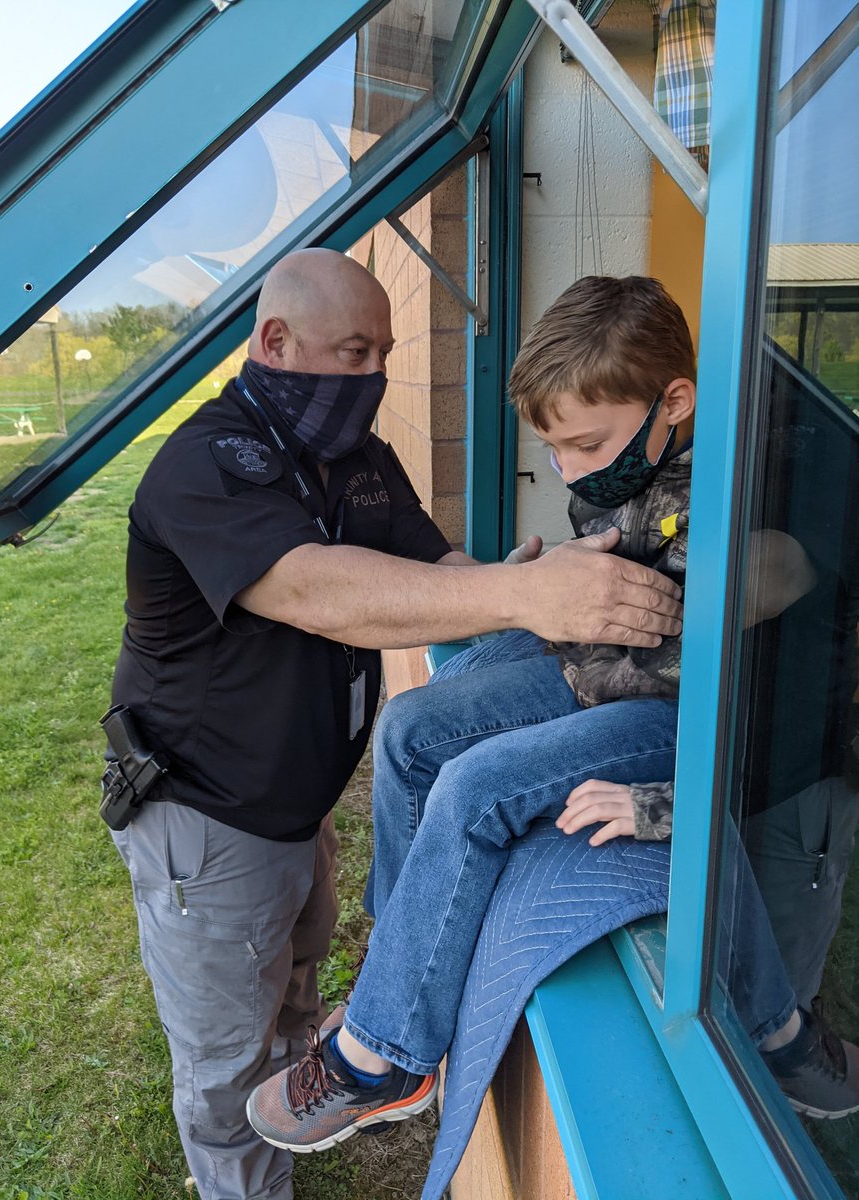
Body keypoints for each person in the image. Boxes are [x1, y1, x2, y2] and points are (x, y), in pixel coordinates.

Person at [105, 251, 685, 1200]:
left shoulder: (357, 459)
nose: (373, 377)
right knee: (223, 1065)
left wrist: (526, 585)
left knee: (294, 988)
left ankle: (351, 1040)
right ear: (276, 343)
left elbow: (435, 569)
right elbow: (323, 594)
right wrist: (526, 595)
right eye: (352, 351)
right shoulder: (201, 469)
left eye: (384, 352)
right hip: (206, 827)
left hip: (299, 815)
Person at [245, 275, 858, 1156]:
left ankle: (384, 1056)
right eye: (553, 448)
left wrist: (584, 623)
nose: (569, 469)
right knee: (411, 730)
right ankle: (403, 966)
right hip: (619, 681)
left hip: (686, 726)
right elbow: (604, 621)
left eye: (584, 444)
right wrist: (551, 593)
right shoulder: (654, 464)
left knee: (476, 784)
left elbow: (737, 692)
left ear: (674, 400)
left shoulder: (757, 513)